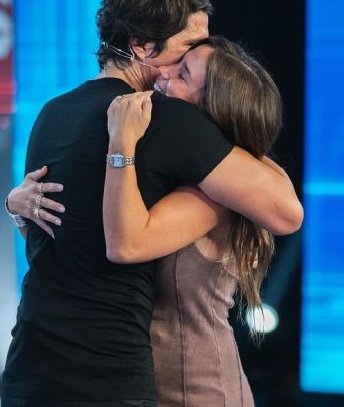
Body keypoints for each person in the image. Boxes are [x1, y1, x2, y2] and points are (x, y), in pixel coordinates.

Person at [1, 0, 302, 405]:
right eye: (188, 46)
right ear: (142, 46)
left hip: (29, 367)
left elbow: (47, 232)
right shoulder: (165, 118)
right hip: (109, 375)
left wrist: (12, 203)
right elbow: (284, 210)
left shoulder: (52, 113)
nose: (199, 52)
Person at [102, 36, 284, 406]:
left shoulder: (211, 198)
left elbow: (125, 243)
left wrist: (121, 145)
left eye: (182, 74)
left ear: (210, 113)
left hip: (196, 392)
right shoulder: (180, 175)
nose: (162, 73)